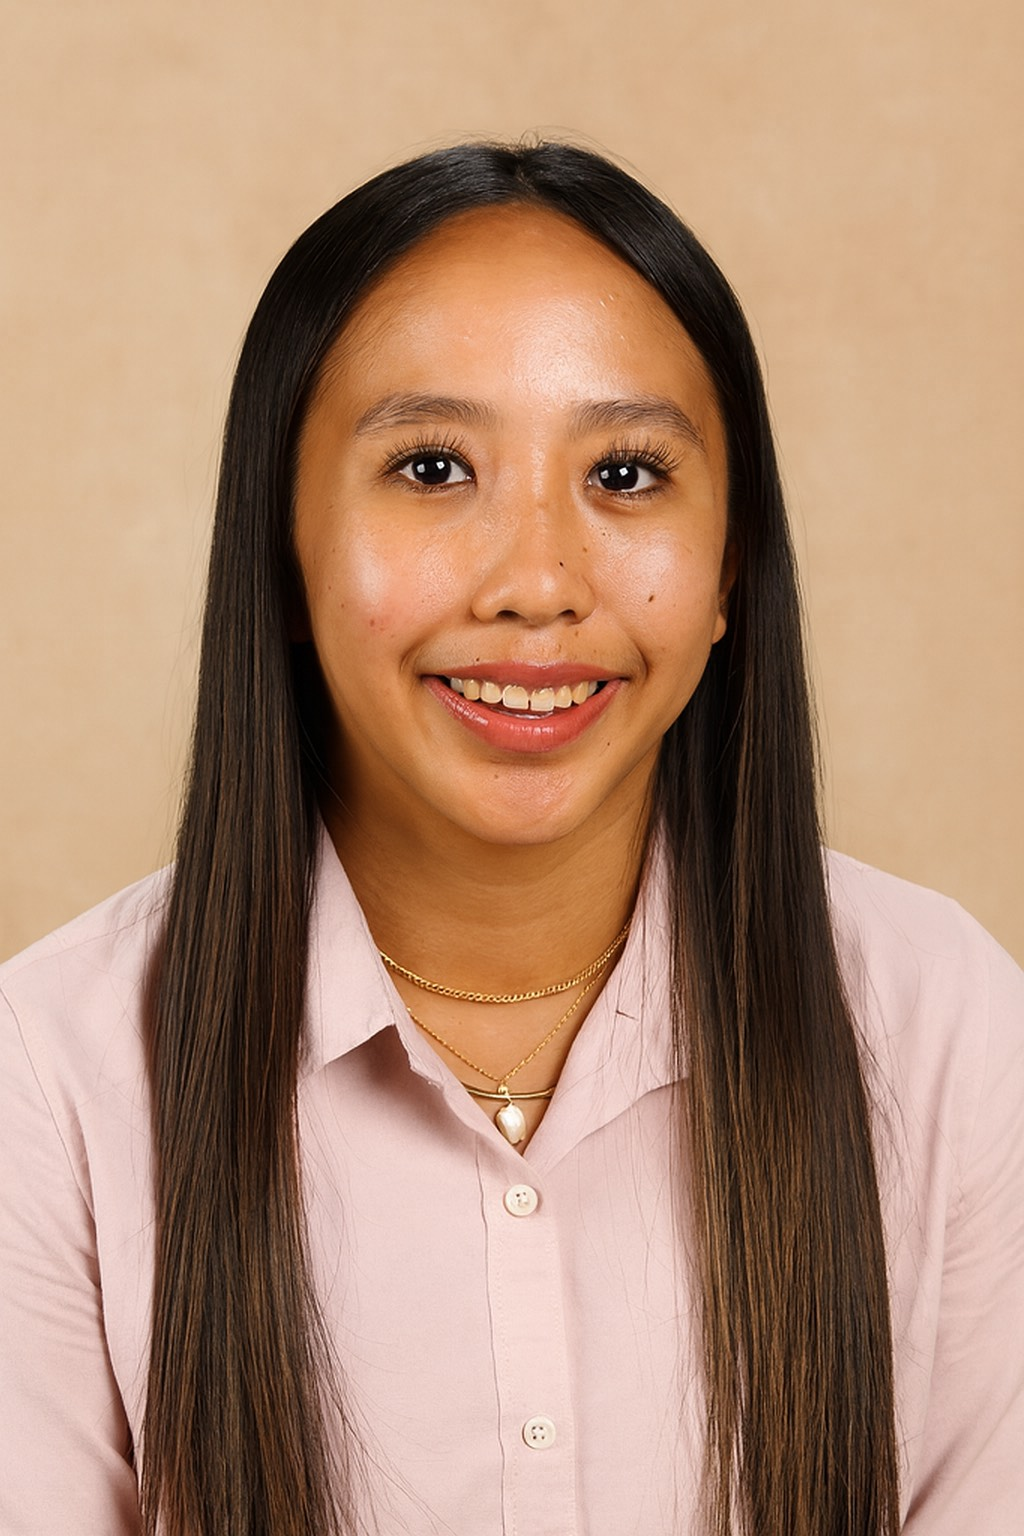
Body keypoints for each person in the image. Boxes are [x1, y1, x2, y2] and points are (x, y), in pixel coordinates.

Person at [1, 141, 1021, 1536]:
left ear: (729, 566)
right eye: (430, 467)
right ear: (283, 553)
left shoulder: (944, 1027)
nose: (538, 585)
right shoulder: (49, 1081)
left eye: (626, 474)